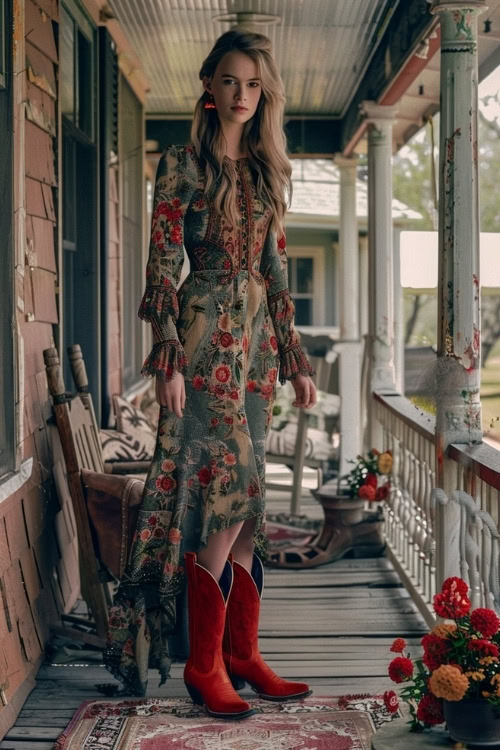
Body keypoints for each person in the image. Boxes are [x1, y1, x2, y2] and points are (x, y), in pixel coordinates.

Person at [103, 28, 317, 720]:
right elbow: (163, 264)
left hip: (254, 350)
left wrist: (295, 359)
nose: (242, 96)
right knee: (221, 490)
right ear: (209, 86)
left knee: (247, 496)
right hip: (202, 339)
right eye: (230, 81)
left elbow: (277, 275)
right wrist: (166, 357)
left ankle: (241, 655)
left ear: (265, 94)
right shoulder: (182, 165)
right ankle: (203, 663)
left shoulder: (264, 173)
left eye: (254, 85)